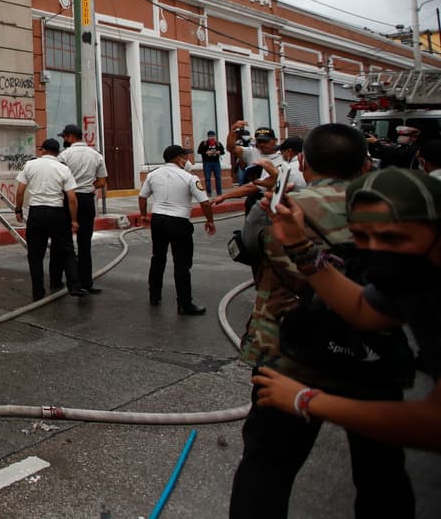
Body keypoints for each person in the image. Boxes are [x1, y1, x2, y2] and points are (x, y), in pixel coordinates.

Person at [229, 124, 415, 518]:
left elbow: (251, 252)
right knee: (382, 472)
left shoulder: (279, 212)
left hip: (289, 359)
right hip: (374, 357)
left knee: (267, 468)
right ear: (366, 164)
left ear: (305, 163)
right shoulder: (400, 217)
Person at [253, 167, 441, 452]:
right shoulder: (413, 275)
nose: (375, 250)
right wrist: (298, 244)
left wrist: (305, 399)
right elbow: (362, 309)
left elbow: (434, 424)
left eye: (392, 238)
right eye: (361, 237)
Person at [138, 144, 217, 315]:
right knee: (182, 263)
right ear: (177, 158)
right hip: (179, 221)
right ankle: (184, 304)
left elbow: (142, 196)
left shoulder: (153, 175)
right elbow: (204, 202)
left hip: (158, 220)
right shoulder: (189, 178)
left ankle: (154, 295)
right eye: (185, 156)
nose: (187, 160)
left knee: (158, 258)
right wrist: (210, 220)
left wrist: (144, 215)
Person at [14, 138, 86, 300]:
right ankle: (74, 286)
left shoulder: (30, 165)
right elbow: (72, 198)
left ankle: (38, 291)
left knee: (35, 254)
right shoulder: (63, 169)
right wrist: (74, 220)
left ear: (43, 150)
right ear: (58, 152)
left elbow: (20, 191)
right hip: (57, 213)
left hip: (36, 212)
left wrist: (18, 209)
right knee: (67, 250)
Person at [52, 124, 108, 294]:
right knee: (85, 243)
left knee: (62, 241)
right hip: (86, 200)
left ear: (70, 137)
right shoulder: (96, 155)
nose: (64, 141)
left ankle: (58, 280)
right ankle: (86, 282)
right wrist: (89, 186)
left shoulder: (64, 155)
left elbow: (57, 179)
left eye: (65, 138)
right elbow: (102, 182)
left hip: (69, 199)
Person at [196, 130, 225, 196]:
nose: (211, 137)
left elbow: (223, 151)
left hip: (216, 163)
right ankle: (209, 192)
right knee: (207, 178)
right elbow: (199, 151)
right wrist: (206, 152)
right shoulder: (204, 143)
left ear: (215, 136)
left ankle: (219, 192)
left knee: (218, 178)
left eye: (213, 136)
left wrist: (219, 152)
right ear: (208, 136)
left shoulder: (218, 143)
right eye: (210, 136)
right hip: (207, 163)